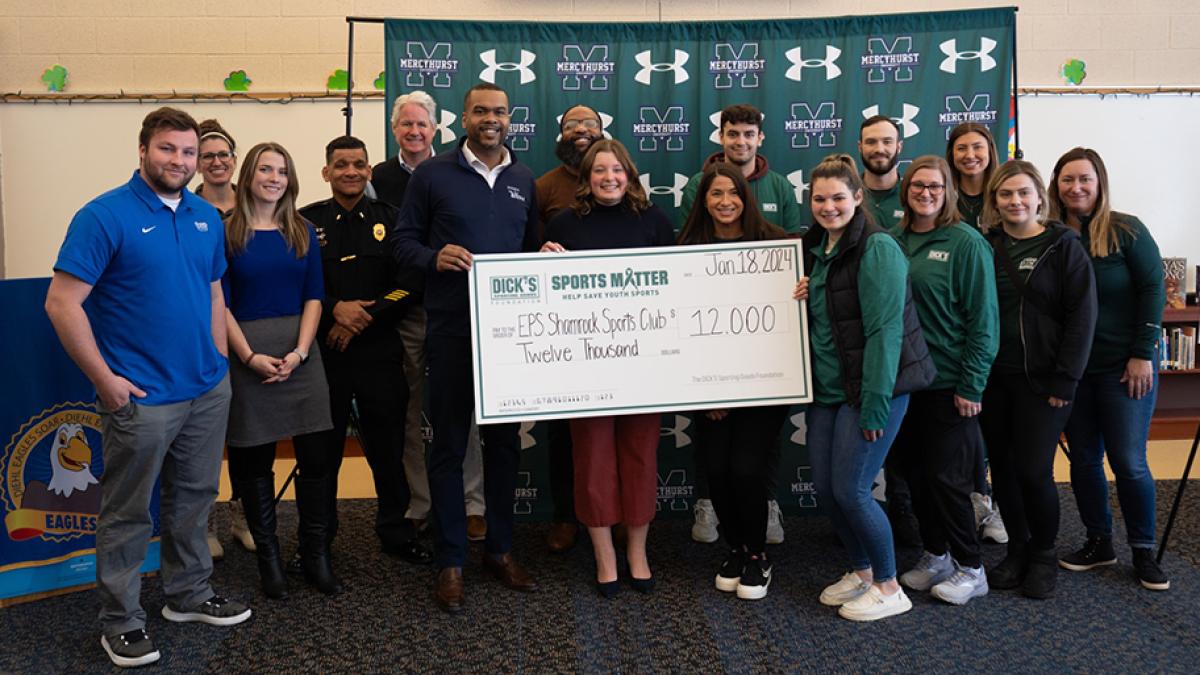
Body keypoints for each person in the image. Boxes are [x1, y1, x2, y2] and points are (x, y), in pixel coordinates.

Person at [45, 107, 250, 668]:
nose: (180, 161)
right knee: (128, 514)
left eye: (188, 152)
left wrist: (218, 364)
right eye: (168, 150)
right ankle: (122, 621)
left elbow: (213, 294)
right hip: (140, 398)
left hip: (206, 391)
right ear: (143, 152)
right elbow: (62, 303)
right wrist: (105, 381)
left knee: (193, 501)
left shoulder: (207, 216)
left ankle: (187, 595)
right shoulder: (103, 216)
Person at [392, 82, 540, 613]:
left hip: (509, 340)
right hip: (452, 330)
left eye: (499, 111)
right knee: (449, 447)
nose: (491, 119)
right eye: (481, 110)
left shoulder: (524, 178)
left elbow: (530, 253)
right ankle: (450, 558)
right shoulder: (433, 175)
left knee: (503, 447)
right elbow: (403, 243)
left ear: (509, 118)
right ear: (464, 117)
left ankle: (499, 550)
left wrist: (547, 254)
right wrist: (434, 257)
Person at [796, 154, 936, 622]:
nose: (829, 206)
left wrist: (875, 405)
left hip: (875, 390)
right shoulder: (818, 249)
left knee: (854, 490)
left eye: (838, 197)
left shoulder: (877, 248)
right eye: (820, 198)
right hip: (830, 392)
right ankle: (860, 571)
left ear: (858, 197)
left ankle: (890, 585)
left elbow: (884, 333)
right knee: (827, 487)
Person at [542, 139, 674, 598]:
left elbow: (678, 287)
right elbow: (543, 297)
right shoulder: (563, 225)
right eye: (600, 170)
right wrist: (542, 267)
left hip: (644, 368)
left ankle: (637, 554)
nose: (609, 178)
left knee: (640, 458)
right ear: (587, 177)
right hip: (586, 371)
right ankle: (603, 558)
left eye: (617, 169)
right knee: (593, 460)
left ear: (629, 174)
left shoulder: (654, 222)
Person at [300, 136, 432, 566]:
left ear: (370, 171)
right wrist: (336, 310)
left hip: (378, 350)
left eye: (359, 164)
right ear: (326, 172)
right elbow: (301, 287)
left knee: (387, 449)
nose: (351, 171)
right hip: (325, 354)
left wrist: (365, 316)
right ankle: (318, 538)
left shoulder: (392, 220)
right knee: (321, 453)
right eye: (341, 165)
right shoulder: (305, 223)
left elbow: (410, 282)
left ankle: (395, 531)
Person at [1048, 147, 1170, 591]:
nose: (1076, 187)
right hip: (1076, 371)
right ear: (1055, 185)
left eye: (1084, 179)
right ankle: (1100, 542)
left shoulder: (1125, 230)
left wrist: (1142, 352)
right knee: (1083, 459)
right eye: (1067, 179)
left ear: (1100, 182)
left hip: (1125, 368)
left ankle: (1143, 549)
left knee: (1129, 461)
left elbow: (1154, 286)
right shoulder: (1051, 235)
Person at [221, 141, 339, 598]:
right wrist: (249, 356)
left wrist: (301, 352)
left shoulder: (303, 230)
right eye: (266, 169)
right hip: (247, 354)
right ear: (249, 174)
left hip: (301, 355)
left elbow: (315, 296)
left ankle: (315, 554)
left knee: (317, 459)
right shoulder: (225, 233)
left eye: (283, 171)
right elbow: (220, 303)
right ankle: (268, 560)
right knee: (254, 460)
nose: (274, 178)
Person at [371, 90, 489, 543]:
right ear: (394, 129)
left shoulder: (457, 171)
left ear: (437, 129)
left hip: (458, 312)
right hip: (405, 314)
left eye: (423, 124)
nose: (415, 132)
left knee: (467, 411)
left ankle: (472, 502)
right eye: (406, 124)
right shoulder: (376, 178)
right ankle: (422, 503)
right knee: (413, 413)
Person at [678, 103, 796, 547]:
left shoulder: (775, 225)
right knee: (720, 464)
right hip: (710, 375)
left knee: (750, 464)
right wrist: (707, 386)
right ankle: (725, 528)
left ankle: (759, 532)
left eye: (749, 133)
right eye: (716, 195)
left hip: (766, 372)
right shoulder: (689, 243)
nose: (725, 202)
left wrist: (800, 286)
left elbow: (793, 267)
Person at [978, 160, 1097, 600]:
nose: (1015, 201)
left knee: (1033, 471)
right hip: (994, 379)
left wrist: (1065, 380)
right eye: (1006, 194)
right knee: (1004, 473)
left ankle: (1044, 555)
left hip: (1045, 383)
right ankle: (1019, 551)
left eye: (1023, 193)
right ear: (994, 201)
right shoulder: (985, 246)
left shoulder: (1063, 246)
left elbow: (1082, 319)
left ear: (1040, 199)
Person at [889, 155, 998, 606]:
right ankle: (937, 556)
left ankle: (972, 567)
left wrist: (971, 385)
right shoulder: (891, 240)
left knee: (947, 479)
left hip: (949, 384)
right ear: (905, 190)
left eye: (935, 186)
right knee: (915, 475)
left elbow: (984, 321)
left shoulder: (965, 242)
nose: (926, 193)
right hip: (903, 385)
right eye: (918, 185)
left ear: (949, 190)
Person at [533, 103, 607, 554]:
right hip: (561, 330)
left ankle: (612, 513)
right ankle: (565, 515)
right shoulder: (542, 187)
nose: (581, 130)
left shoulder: (623, 178)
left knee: (612, 429)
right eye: (571, 124)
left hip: (619, 329)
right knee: (562, 430)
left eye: (590, 125)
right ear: (560, 134)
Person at [193, 118, 255, 561]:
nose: (216, 161)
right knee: (205, 435)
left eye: (223, 154)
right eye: (206, 155)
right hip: (201, 331)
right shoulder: (185, 206)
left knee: (249, 433)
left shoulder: (255, 205)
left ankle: (244, 514)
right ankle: (205, 521)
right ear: (196, 162)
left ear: (235, 160)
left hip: (253, 330)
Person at [944, 122, 1007, 543]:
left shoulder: (1006, 197)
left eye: (977, 147)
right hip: (957, 329)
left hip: (1002, 322)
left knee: (1000, 428)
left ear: (990, 150)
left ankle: (1001, 506)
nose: (970, 155)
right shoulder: (944, 200)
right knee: (965, 427)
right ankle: (975, 498)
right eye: (961, 147)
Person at [859, 115, 906, 230]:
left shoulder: (914, 196)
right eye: (871, 142)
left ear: (899, 147)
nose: (879, 149)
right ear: (860, 147)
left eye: (887, 142)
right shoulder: (847, 195)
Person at [195, 119, 238, 216]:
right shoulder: (187, 209)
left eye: (223, 155)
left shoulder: (253, 205)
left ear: (234, 160)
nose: (217, 163)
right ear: (197, 165)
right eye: (208, 156)